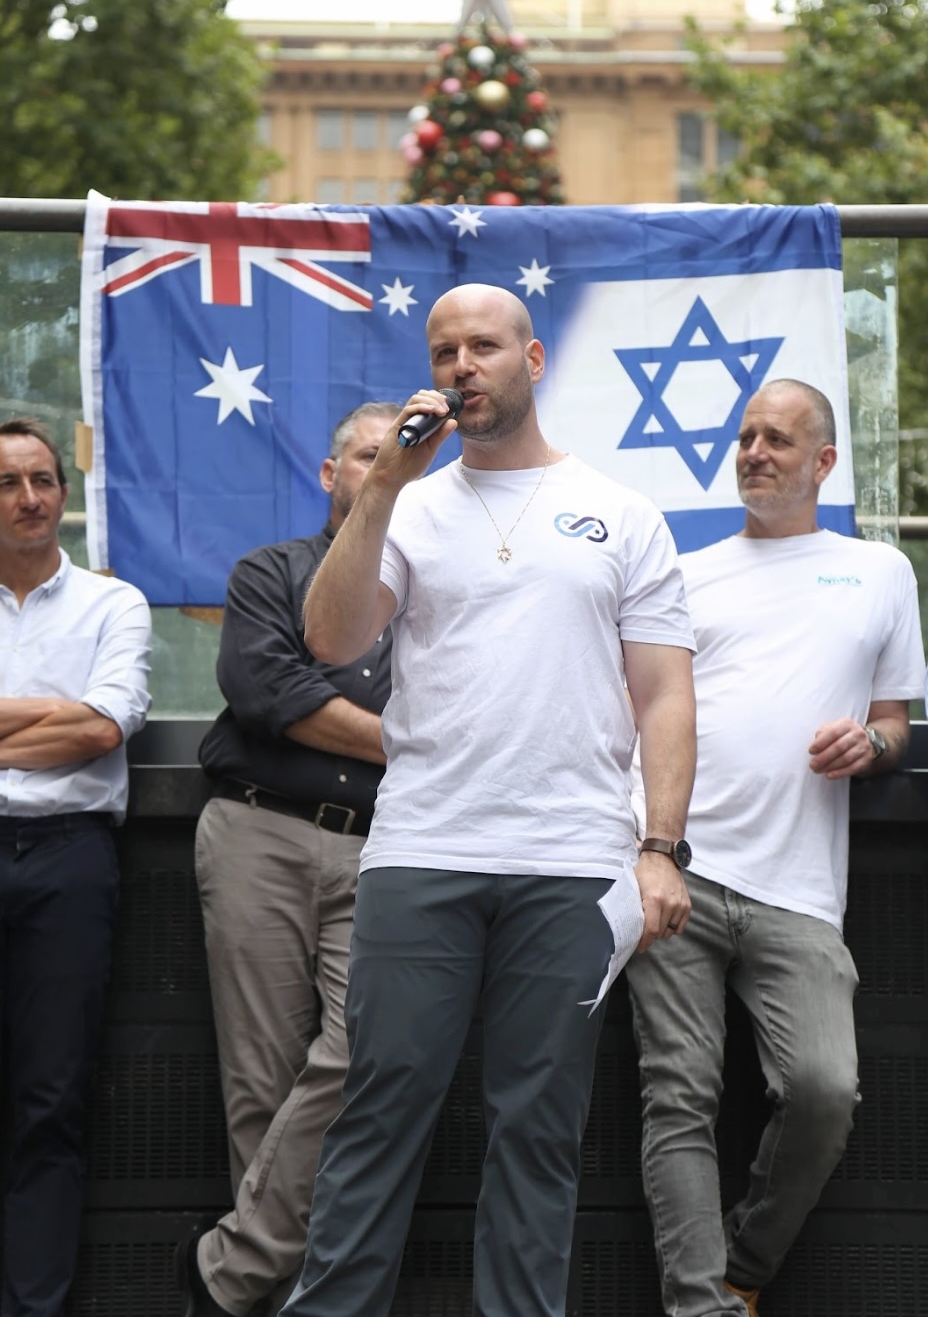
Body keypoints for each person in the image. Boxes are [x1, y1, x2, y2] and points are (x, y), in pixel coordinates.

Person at [282, 282, 698, 1317]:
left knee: (539, 1129)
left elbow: (664, 694)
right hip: (423, 847)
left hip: (572, 860)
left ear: (533, 359)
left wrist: (659, 847)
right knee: (380, 1110)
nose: (462, 366)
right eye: (443, 351)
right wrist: (382, 487)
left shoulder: (623, 513)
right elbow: (329, 640)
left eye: (484, 346)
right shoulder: (408, 504)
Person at [625, 379, 925, 1317]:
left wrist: (871, 743)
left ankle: (741, 1273)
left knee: (825, 1090)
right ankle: (700, 1308)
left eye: (778, 440)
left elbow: (894, 721)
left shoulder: (880, 570)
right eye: (746, 437)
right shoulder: (685, 572)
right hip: (676, 864)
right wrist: (646, 846)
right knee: (679, 1096)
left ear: (824, 462)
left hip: (799, 888)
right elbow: (632, 713)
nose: (754, 452)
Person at [176, 402, 401, 1317]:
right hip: (259, 830)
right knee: (261, 1080)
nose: (382, 470)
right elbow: (271, 692)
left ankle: (227, 1278)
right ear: (331, 474)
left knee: (362, 1057)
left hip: (388, 847)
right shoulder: (272, 571)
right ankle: (283, 1302)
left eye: (399, 457)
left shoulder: (436, 590)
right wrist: (416, 741)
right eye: (367, 455)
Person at [0, 416, 151, 1317]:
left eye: (43, 481)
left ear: (63, 492)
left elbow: (101, 729)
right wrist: (53, 717)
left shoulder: (112, 604)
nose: (29, 499)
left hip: (69, 860)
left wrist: (68, 722)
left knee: (50, 1099)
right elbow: (76, 721)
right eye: (7, 483)